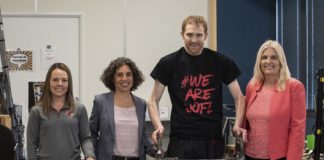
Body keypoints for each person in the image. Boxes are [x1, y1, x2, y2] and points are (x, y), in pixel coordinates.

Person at [148, 15, 245, 159]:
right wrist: (158, 125)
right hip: (181, 139)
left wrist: (237, 124)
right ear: (182, 35)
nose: (194, 40)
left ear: (206, 35)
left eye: (199, 35)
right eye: (189, 35)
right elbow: (153, 100)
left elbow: (239, 97)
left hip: (212, 139)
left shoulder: (221, 62)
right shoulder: (168, 63)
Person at [242, 40, 306, 160]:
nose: (268, 61)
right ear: (259, 61)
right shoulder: (252, 86)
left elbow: (298, 129)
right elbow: (247, 121)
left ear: (281, 61)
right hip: (249, 155)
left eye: (274, 57)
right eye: (264, 57)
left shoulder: (294, 87)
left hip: (279, 157)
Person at [27, 63, 95, 160]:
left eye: (64, 80)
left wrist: (89, 155)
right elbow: (31, 145)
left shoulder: (79, 109)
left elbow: (85, 139)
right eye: (55, 80)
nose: (60, 83)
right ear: (48, 82)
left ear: (69, 83)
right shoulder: (36, 111)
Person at [89, 57, 153, 160]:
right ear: (112, 78)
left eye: (128, 74)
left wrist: (155, 149)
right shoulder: (100, 101)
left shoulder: (141, 104)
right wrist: (90, 156)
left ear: (134, 77)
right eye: (119, 75)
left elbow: (142, 136)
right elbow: (91, 134)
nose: (124, 78)